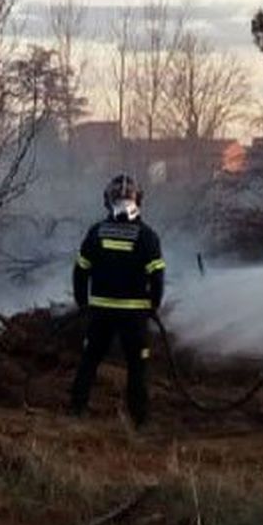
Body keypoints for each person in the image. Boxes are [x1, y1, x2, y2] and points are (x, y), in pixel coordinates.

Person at [68, 174, 165, 427]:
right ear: (139, 200)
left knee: (90, 360)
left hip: (100, 312)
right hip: (134, 316)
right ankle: (139, 421)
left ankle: (76, 411)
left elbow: (80, 271)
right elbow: (157, 277)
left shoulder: (96, 232)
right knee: (137, 367)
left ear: (107, 201)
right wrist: (153, 305)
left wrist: (83, 303)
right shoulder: (147, 236)